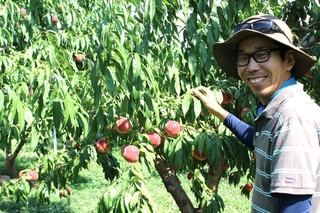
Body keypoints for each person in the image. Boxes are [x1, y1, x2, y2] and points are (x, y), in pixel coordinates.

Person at [193, 14, 320, 213]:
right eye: (243, 57)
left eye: (262, 54)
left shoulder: (292, 118)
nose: (251, 67)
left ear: (289, 60)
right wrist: (217, 110)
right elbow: (258, 141)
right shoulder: (279, 110)